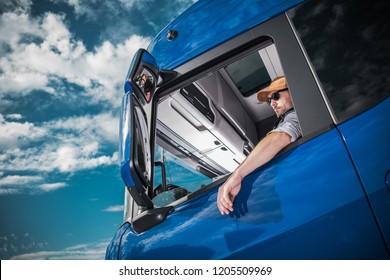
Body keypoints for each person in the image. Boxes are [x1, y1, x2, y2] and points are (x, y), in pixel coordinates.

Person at [217, 76, 302, 215]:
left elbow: (281, 136)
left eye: (275, 96)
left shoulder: (296, 113)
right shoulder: (287, 118)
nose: (272, 103)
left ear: (292, 90)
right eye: (269, 101)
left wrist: (237, 176)